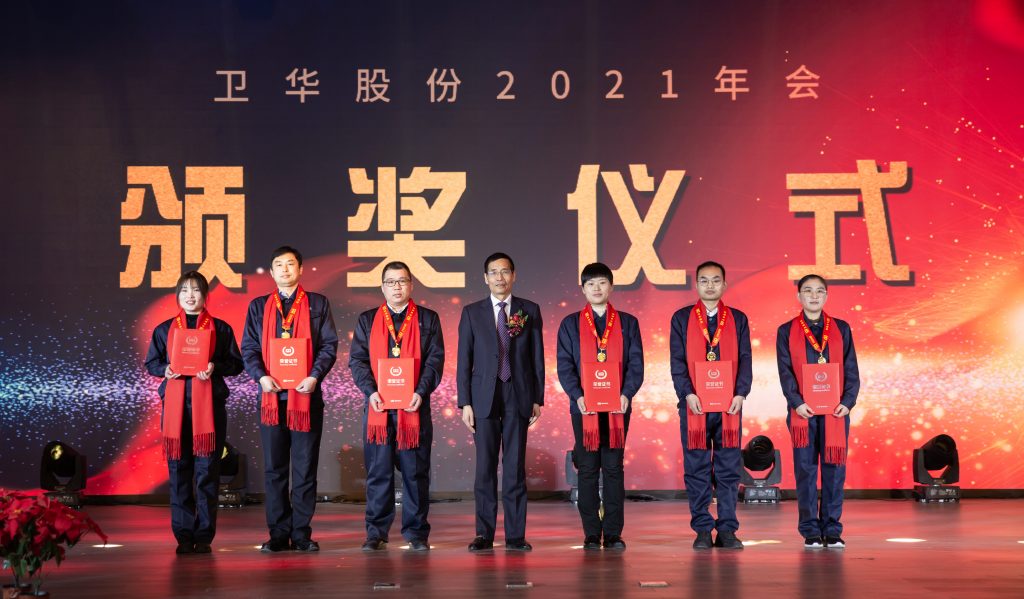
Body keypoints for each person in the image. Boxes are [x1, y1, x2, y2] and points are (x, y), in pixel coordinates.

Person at [242, 246, 338, 552]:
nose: (285, 269)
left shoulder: (318, 303)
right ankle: (277, 533)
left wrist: (314, 376)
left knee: (304, 468)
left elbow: (329, 346)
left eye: (290, 264)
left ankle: (301, 534)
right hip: (272, 400)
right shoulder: (258, 307)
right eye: (279, 265)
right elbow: (249, 348)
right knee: (275, 469)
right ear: (271, 272)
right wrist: (261, 377)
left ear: (300, 269)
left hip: (306, 398)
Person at [348, 261, 444, 552]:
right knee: (379, 473)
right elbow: (357, 361)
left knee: (415, 473)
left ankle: (416, 533)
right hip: (378, 409)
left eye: (402, 281)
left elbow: (434, 361)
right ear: (382, 287)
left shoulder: (428, 319)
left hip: (413, 408)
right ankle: (376, 532)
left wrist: (420, 391)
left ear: (411, 285)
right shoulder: (367, 320)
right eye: (391, 282)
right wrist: (371, 392)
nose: (397, 287)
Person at [145, 270, 243, 554]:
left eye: (196, 290)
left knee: (207, 472)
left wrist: (214, 367)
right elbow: (151, 363)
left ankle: (204, 535)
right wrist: (164, 369)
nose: (190, 296)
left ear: (205, 295)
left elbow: (236, 364)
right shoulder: (164, 329)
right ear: (178, 295)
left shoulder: (220, 329)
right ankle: (184, 535)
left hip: (210, 409)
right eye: (185, 290)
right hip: (175, 410)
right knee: (179, 471)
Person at [457, 252, 544, 552]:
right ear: (485, 278)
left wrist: (537, 398)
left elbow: (537, 357)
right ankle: (484, 534)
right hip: (483, 396)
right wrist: (465, 402)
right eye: (494, 272)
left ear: (513, 275)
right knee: (485, 467)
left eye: (505, 271)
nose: (499, 277)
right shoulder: (472, 312)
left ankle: (516, 535)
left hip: (518, 394)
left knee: (515, 466)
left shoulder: (528, 309)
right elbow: (464, 360)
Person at [556, 262, 644, 550]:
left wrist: (627, 394)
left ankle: (614, 533)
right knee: (588, 469)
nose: (596, 288)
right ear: (583, 289)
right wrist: (577, 395)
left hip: (618, 407)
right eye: (590, 284)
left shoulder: (628, 323)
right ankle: (592, 533)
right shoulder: (570, 324)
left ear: (611, 287)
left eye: (602, 282)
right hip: (584, 409)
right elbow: (565, 366)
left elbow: (636, 365)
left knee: (614, 468)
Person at [669, 261, 752, 550]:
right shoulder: (681, 318)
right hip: (694, 406)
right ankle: (703, 528)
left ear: (724, 285)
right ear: (696, 285)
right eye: (704, 280)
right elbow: (677, 361)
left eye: (716, 280)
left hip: (729, 407)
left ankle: (727, 529)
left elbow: (745, 359)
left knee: (729, 469)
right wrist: (687, 393)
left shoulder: (738, 319)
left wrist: (741, 393)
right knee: (697, 468)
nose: (710, 285)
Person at [776, 274, 860, 549]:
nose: (814, 296)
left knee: (835, 470)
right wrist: (796, 402)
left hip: (836, 412)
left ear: (826, 296)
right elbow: (785, 372)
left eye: (819, 291)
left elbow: (851, 368)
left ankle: (832, 529)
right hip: (803, 412)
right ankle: (810, 530)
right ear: (799, 296)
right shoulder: (786, 331)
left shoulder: (841, 328)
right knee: (806, 470)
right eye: (808, 291)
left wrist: (848, 401)